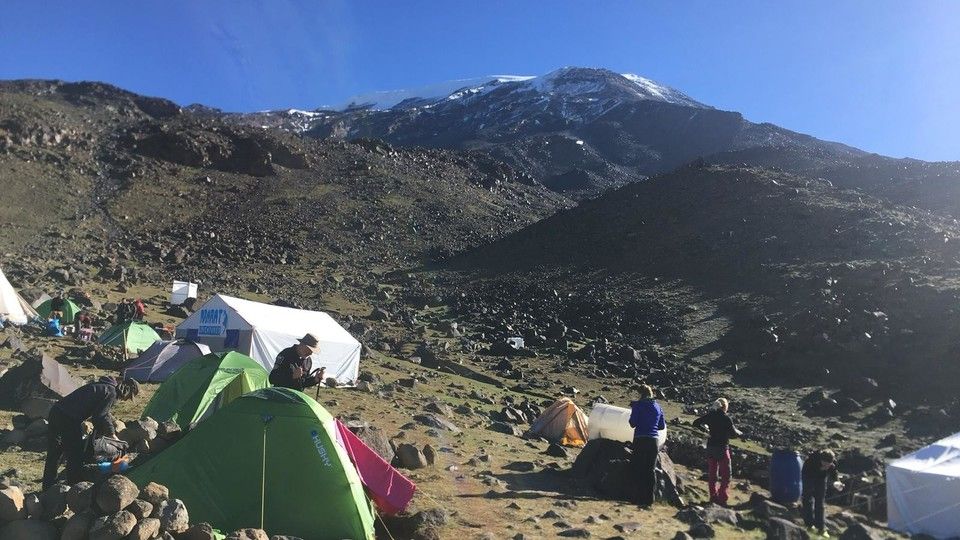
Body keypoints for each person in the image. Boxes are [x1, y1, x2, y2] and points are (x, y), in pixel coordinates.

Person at [42, 377, 139, 489]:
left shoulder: (104, 387)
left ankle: (48, 487)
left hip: (57, 412)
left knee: (55, 451)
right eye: (129, 396)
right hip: (69, 418)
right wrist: (112, 435)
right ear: (126, 390)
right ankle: (75, 486)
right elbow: (100, 416)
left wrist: (109, 430)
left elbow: (103, 413)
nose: (125, 400)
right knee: (75, 453)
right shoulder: (111, 392)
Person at [692, 398, 743, 505]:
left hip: (710, 447)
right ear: (725, 407)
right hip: (722, 448)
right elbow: (733, 434)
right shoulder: (726, 418)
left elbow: (696, 423)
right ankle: (722, 497)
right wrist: (738, 434)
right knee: (726, 474)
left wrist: (705, 431)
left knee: (712, 474)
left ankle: (713, 497)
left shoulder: (710, 416)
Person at [628, 384, 666, 508]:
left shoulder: (638, 405)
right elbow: (661, 426)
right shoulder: (658, 407)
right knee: (650, 470)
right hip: (653, 440)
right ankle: (649, 499)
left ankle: (635, 498)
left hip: (640, 439)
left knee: (637, 468)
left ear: (641, 394)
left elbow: (632, 423)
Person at [802, 449, 841, 537]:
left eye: (829, 464)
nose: (827, 466)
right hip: (808, 476)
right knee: (808, 499)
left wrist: (837, 483)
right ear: (821, 460)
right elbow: (807, 473)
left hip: (821, 478)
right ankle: (809, 524)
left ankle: (821, 528)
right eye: (825, 464)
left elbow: (834, 473)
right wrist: (820, 469)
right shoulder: (811, 461)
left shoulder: (831, 462)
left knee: (820, 502)